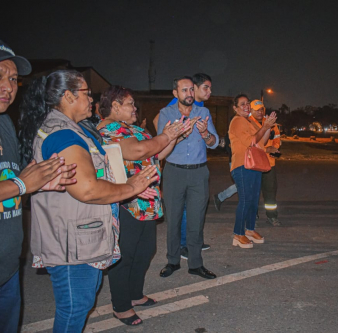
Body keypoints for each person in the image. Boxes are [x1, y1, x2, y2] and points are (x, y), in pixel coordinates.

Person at [18, 69, 158, 332]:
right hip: (72, 244)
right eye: (86, 94)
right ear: (68, 96)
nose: (92, 100)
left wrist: (131, 189)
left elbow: (97, 174)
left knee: (81, 304)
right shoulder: (62, 135)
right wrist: (130, 186)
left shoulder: (75, 129)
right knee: (74, 310)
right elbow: (88, 190)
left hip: (81, 237)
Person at [0, 40, 77, 333]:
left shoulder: (4, 122)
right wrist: (21, 184)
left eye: (12, 79)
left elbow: (9, 183)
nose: (8, 86)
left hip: (7, 269)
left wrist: (40, 183)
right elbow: (14, 184)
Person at [97, 86, 190, 325]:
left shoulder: (134, 129)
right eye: (130, 104)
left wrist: (176, 135)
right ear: (115, 105)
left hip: (146, 200)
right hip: (126, 200)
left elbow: (156, 154)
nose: (135, 108)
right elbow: (137, 151)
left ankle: (135, 294)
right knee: (124, 255)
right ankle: (121, 305)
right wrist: (167, 135)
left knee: (145, 250)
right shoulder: (109, 128)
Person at [157, 76, 218, 279]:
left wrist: (204, 134)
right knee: (173, 219)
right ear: (175, 93)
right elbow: (160, 146)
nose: (189, 94)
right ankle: (172, 261)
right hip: (174, 171)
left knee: (196, 219)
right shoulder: (166, 114)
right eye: (184, 90)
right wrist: (180, 134)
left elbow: (214, 142)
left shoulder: (203, 113)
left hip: (199, 172)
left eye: (191, 90)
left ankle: (195, 264)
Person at [228, 94, 276, 248]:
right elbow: (251, 141)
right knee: (245, 199)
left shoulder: (249, 122)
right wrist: (263, 127)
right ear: (235, 108)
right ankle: (238, 233)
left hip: (254, 165)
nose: (246, 106)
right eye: (242, 104)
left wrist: (267, 126)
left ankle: (249, 230)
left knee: (254, 199)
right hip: (242, 165)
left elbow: (263, 140)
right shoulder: (237, 121)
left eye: (247, 103)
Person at [249, 100, 282, 226]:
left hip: (269, 163)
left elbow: (277, 138)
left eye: (261, 109)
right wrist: (267, 149)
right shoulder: (247, 122)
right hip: (254, 162)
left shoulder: (270, 123)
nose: (260, 111)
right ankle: (252, 216)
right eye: (256, 109)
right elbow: (251, 142)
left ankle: (272, 216)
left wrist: (275, 148)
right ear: (251, 110)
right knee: (253, 192)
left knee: (270, 191)